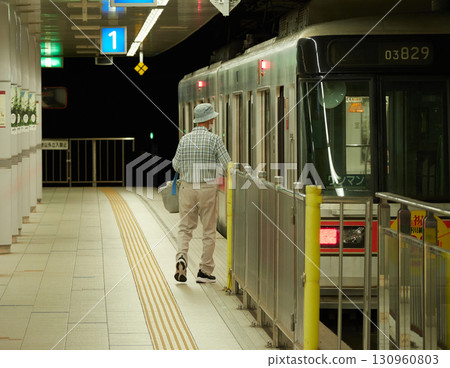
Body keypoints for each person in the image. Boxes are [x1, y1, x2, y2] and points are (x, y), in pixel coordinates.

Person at [172, 103, 231, 283]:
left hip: (188, 188)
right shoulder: (215, 140)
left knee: (185, 228)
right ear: (209, 119)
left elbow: (176, 165)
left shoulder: (185, 139)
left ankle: (181, 257)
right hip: (207, 188)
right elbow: (227, 163)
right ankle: (205, 271)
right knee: (208, 230)